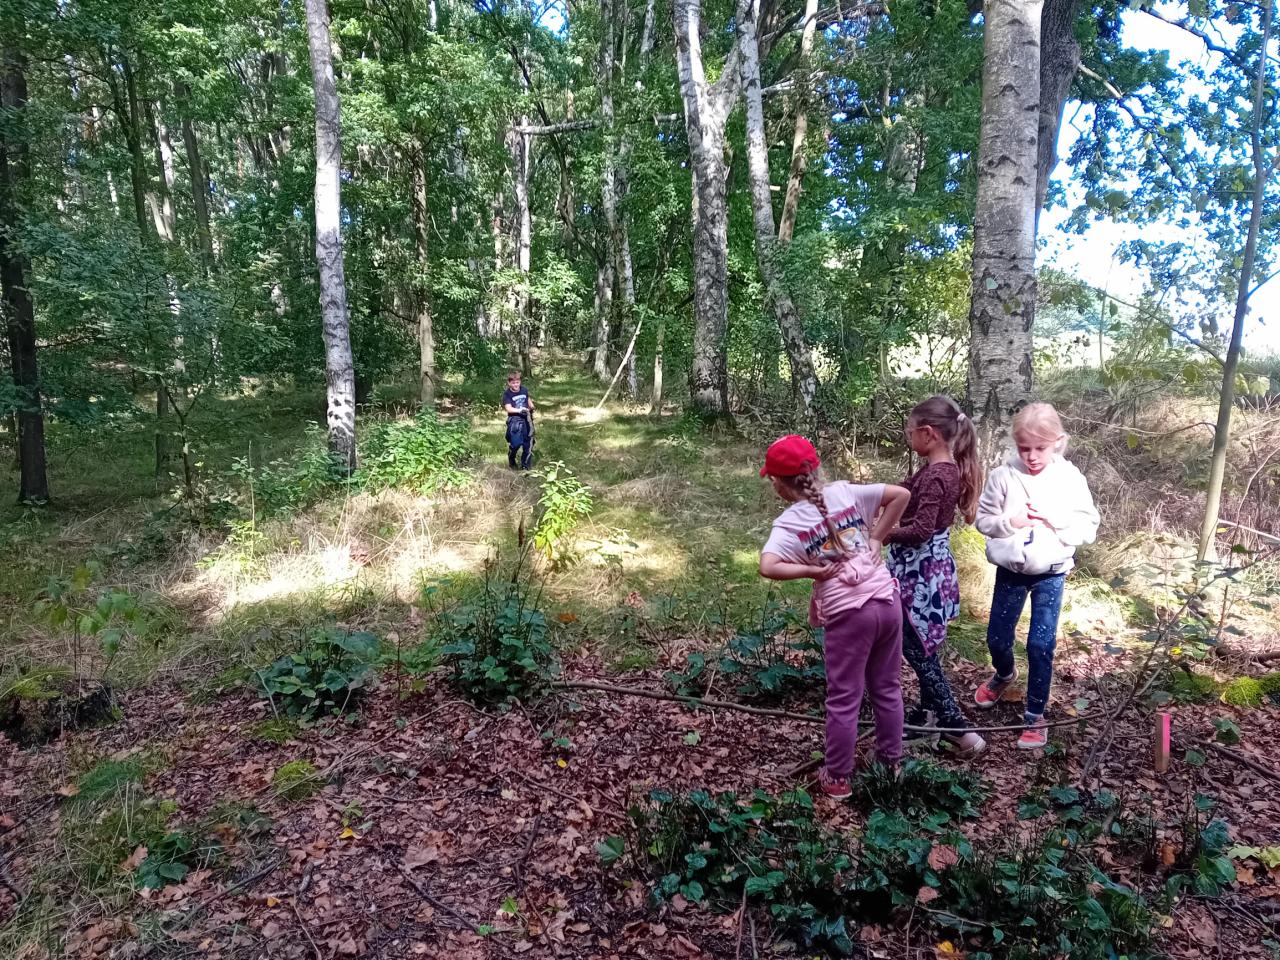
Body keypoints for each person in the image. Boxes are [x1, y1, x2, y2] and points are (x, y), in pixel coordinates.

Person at [758, 435, 911, 799]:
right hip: (887, 602)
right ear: (816, 468)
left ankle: (839, 777)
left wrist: (811, 571)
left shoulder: (789, 524)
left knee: (844, 697)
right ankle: (890, 763)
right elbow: (900, 496)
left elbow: (768, 566)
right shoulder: (846, 493)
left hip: (849, 614)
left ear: (778, 483)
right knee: (887, 687)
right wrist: (877, 539)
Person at [973, 402, 1100, 750]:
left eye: (1040, 448)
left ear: (1057, 442)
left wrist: (1053, 519)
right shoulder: (1003, 476)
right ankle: (1004, 674)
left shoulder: (1069, 479)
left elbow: (1088, 527)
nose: (1031, 456)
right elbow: (983, 520)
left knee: (1040, 645)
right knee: (997, 638)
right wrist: (1010, 522)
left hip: (1051, 573)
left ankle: (1035, 715)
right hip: (1011, 571)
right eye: (1023, 448)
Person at [884, 397, 987, 758]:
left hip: (920, 576)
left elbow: (921, 531)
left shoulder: (938, 476)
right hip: (927, 570)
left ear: (928, 434)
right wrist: (867, 494)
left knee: (916, 647)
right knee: (923, 644)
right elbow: (904, 489)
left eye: (910, 431)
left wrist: (881, 534)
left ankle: (958, 729)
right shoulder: (936, 471)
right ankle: (927, 714)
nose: (908, 436)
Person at [501, 372, 535, 470]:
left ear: (520, 382)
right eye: (513, 383)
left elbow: (528, 399)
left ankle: (525, 467)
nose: (516, 385)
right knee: (516, 443)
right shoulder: (507, 394)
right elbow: (508, 408)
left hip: (527, 419)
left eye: (517, 382)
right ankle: (511, 457)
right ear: (509, 383)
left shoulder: (524, 390)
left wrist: (531, 407)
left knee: (529, 442)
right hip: (515, 420)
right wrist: (520, 410)